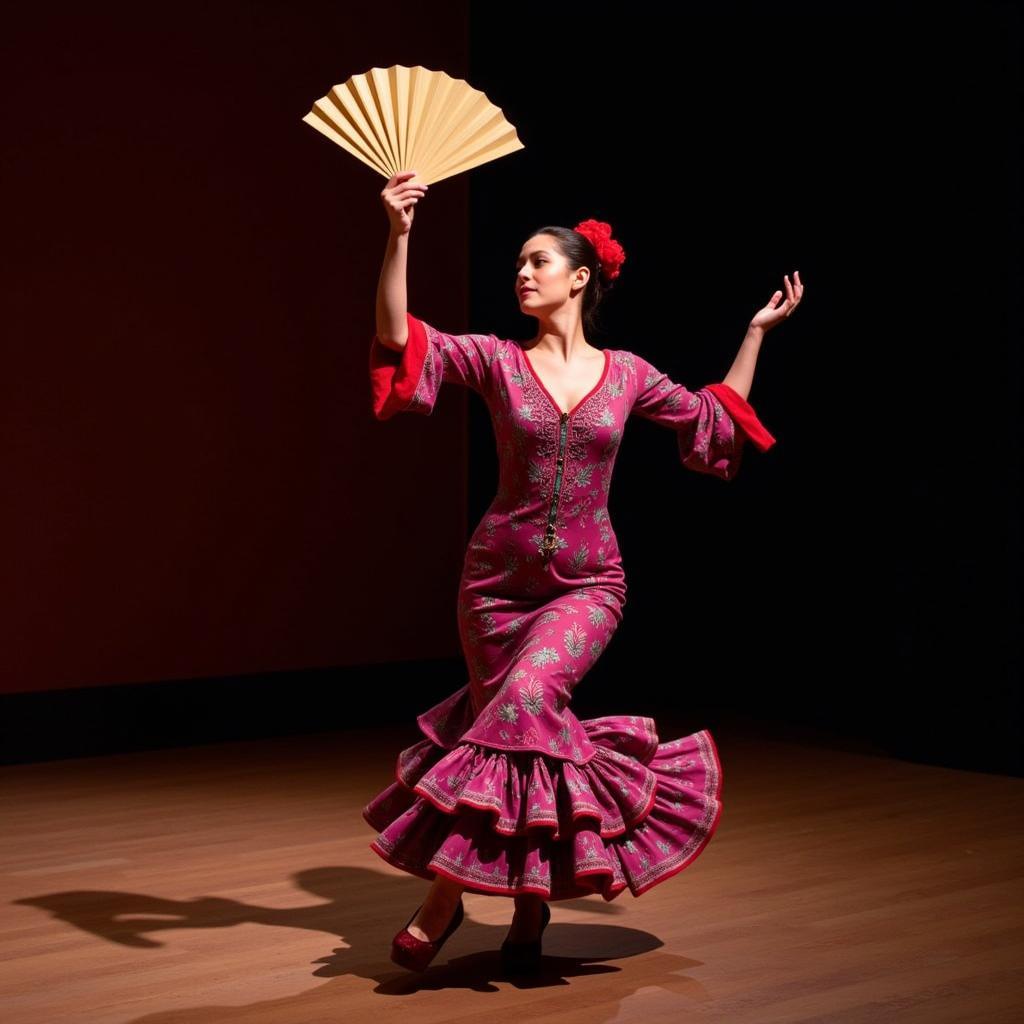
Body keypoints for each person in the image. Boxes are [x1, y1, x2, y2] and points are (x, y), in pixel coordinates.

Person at [365, 170, 803, 973]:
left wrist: (755, 336)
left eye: (538, 262)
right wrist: (398, 233)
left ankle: (442, 895)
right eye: (518, 265)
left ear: (580, 277)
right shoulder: (496, 359)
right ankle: (530, 910)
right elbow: (400, 339)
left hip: (588, 584)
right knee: (522, 732)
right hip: (493, 588)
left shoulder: (628, 373)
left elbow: (712, 420)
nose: (521, 274)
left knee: (527, 702)